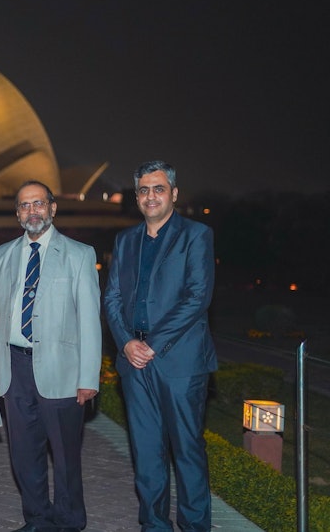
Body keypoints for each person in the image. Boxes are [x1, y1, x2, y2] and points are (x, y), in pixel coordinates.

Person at [103, 160, 217, 532]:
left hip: (180, 363)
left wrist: (152, 344)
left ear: (174, 193)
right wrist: (125, 343)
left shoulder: (196, 235)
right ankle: (154, 525)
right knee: (147, 455)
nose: (151, 196)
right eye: (144, 190)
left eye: (158, 188)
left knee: (186, 452)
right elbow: (113, 298)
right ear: (137, 197)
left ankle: (194, 527)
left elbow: (197, 297)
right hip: (134, 365)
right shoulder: (125, 240)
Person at [0, 180, 102, 532]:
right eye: (24, 205)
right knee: (24, 454)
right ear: (17, 213)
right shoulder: (1, 255)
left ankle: (68, 521)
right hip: (14, 368)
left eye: (38, 204)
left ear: (52, 208)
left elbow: (90, 321)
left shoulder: (80, 254)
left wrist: (88, 378)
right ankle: (37, 519)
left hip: (62, 370)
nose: (32, 211)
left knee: (65, 455)